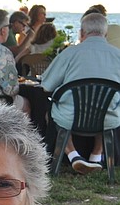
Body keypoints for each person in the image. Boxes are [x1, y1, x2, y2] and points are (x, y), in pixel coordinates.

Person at [40, 12, 120, 175]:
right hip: (108, 117)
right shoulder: (117, 55)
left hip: (71, 118)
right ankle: (96, 156)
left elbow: (47, 85)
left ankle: (73, 155)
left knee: (53, 111)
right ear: (105, 34)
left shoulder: (69, 53)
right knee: (104, 106)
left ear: (82, 33)